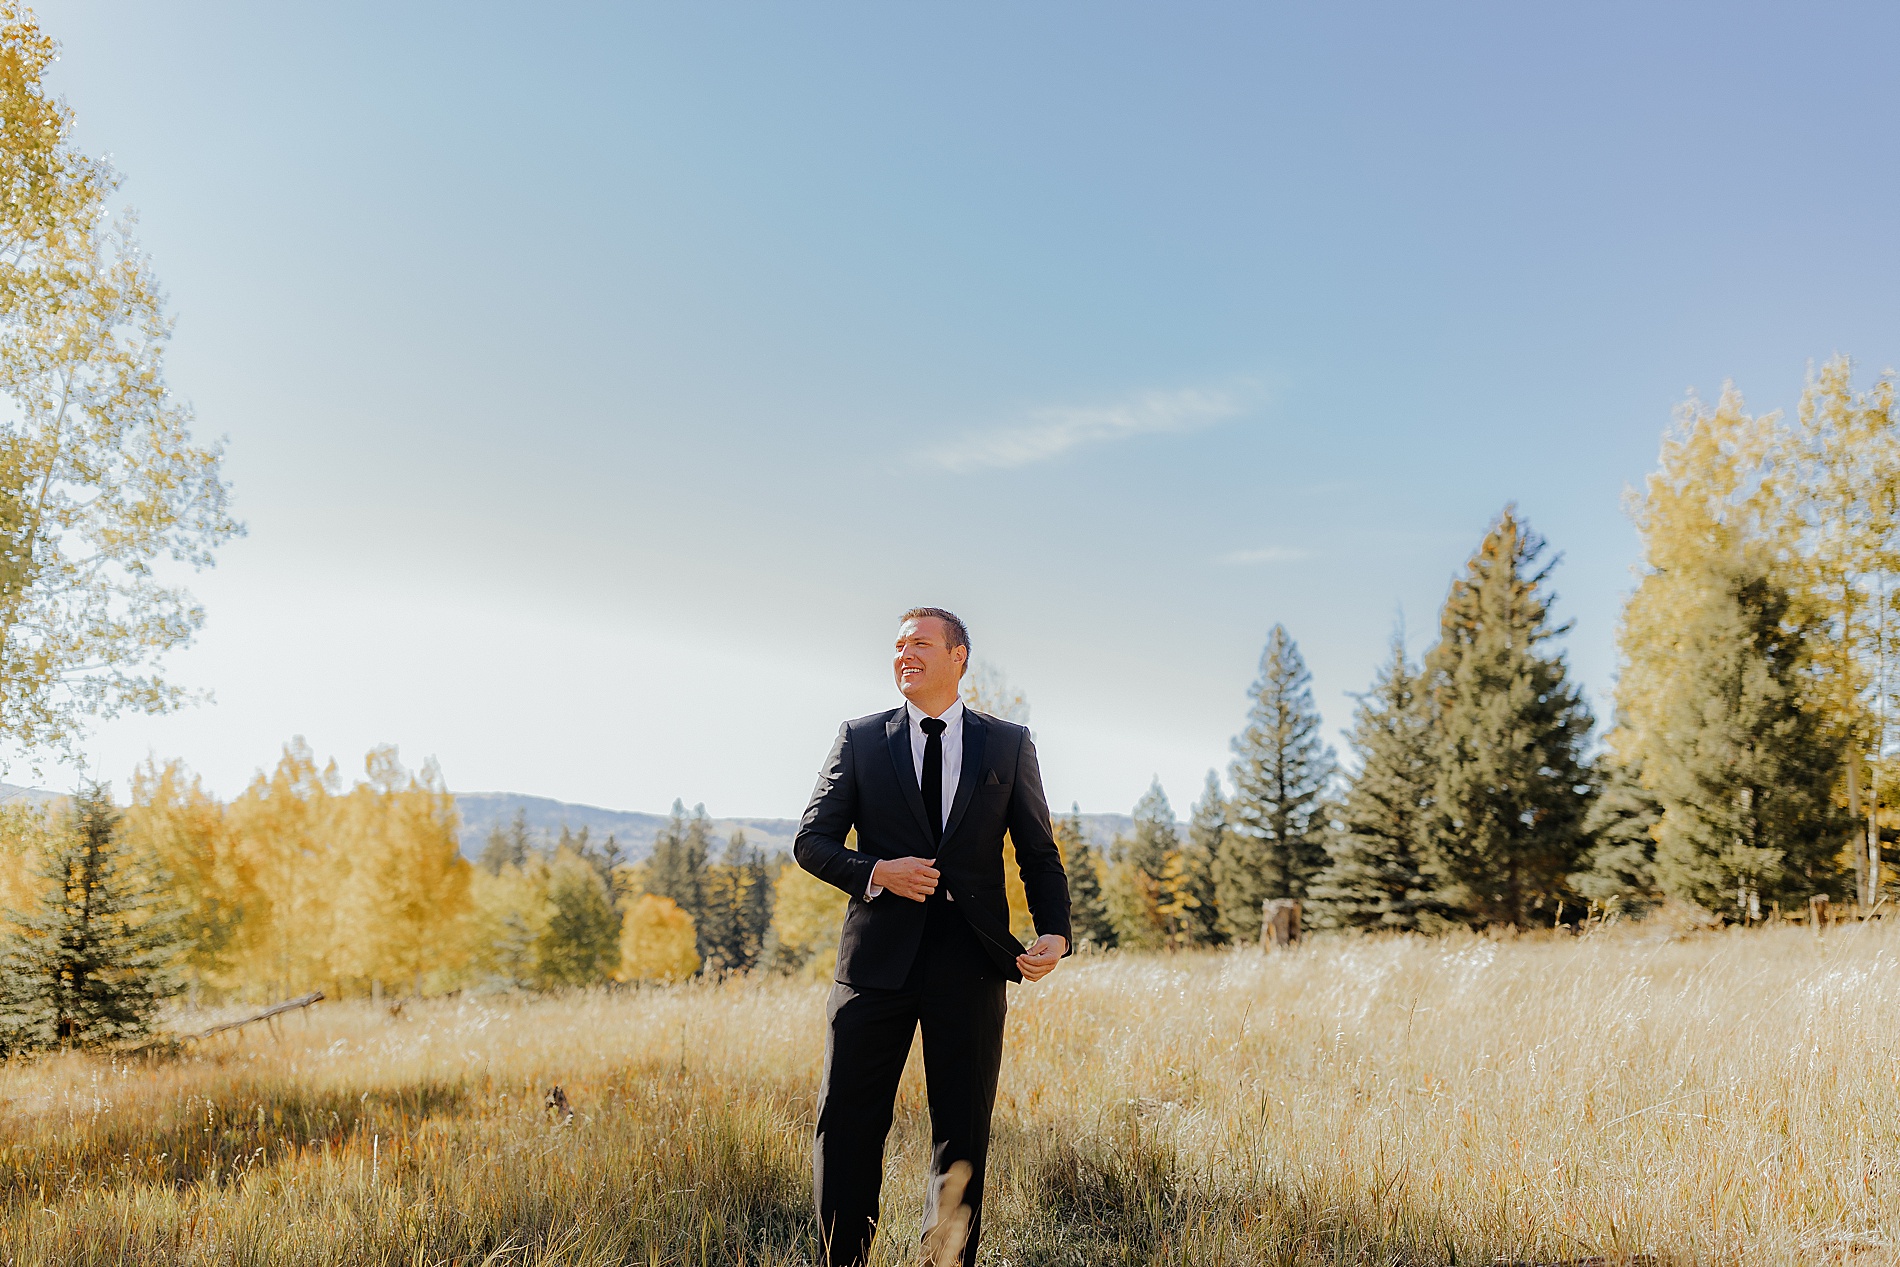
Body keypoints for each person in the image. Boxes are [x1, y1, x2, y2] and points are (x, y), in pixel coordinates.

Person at [793, 606, 1071, 1266]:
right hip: (873, 967)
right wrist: (876, 870)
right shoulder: (860, 738)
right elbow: (812, 841)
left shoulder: (1008, 743)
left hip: (971, 963)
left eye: (919, 642)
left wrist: (1055, 930)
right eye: (896, 645)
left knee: (961, 1135)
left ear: (958, 656)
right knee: (849, 1126)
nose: (903, 653)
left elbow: (1038, 849)